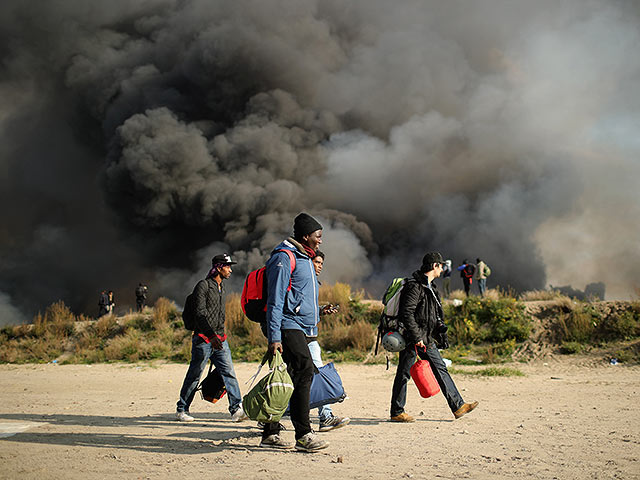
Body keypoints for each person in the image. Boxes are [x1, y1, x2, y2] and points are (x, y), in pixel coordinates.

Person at [261, 213, 329, 452]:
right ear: (305, 236)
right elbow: (275, 300)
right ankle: (303, 434)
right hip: (286, 324)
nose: (320, 240)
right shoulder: (284, 258)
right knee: (305, 368)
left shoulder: (305, 258)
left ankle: (270, 431)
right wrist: (274, 337)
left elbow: (301, 296)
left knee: (289, 377)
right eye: (317, 236)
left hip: (300, 325)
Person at [390, 252, 478, 422]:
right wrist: (416, 337)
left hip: (426, 338)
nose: (443, 268)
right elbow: (406, 313)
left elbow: (431, 314)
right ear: (435, 266)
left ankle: (458, 405)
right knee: (404, 373)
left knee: (438, 369)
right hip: (414, 339)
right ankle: (397, 411)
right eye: (441, 265)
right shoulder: (415, 286)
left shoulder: (431, 287)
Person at [176, 254, 248, 423]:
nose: (230, 270)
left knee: (228, 373)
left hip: (220, 339)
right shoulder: (204, 286)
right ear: (219, 267)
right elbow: (200, 314)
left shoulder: (222, 287)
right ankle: (182, 409)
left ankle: (236, 409)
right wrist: (211, 336)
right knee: (195, 374)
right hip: (203, 340)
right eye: (228, 266)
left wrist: (219, 336)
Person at [309, 250, 350, 432]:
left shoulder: (312, 283)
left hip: (309, 337)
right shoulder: (299, 281)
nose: (319, 266)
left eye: (321, 264)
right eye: (316, 262)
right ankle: (269, 418)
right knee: (299, 376)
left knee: (314, 374)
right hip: (297, 337)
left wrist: (321, 310)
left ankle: (325, 415)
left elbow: (306, 309)